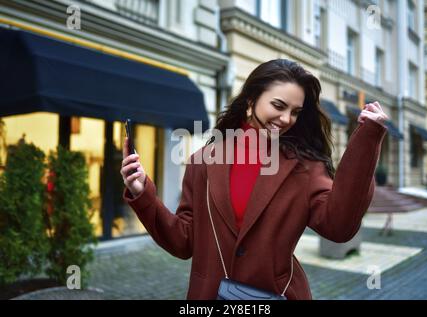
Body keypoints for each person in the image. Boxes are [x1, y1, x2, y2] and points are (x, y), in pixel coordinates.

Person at [121, 59, 388, 300]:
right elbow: (182, 241)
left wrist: (366, 142)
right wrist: (143, 193)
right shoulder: (203, 161)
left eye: (295, 112)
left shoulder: (306, 167)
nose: (286, 119)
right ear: (251, 101)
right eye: (279, 105)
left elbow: (339, 227)